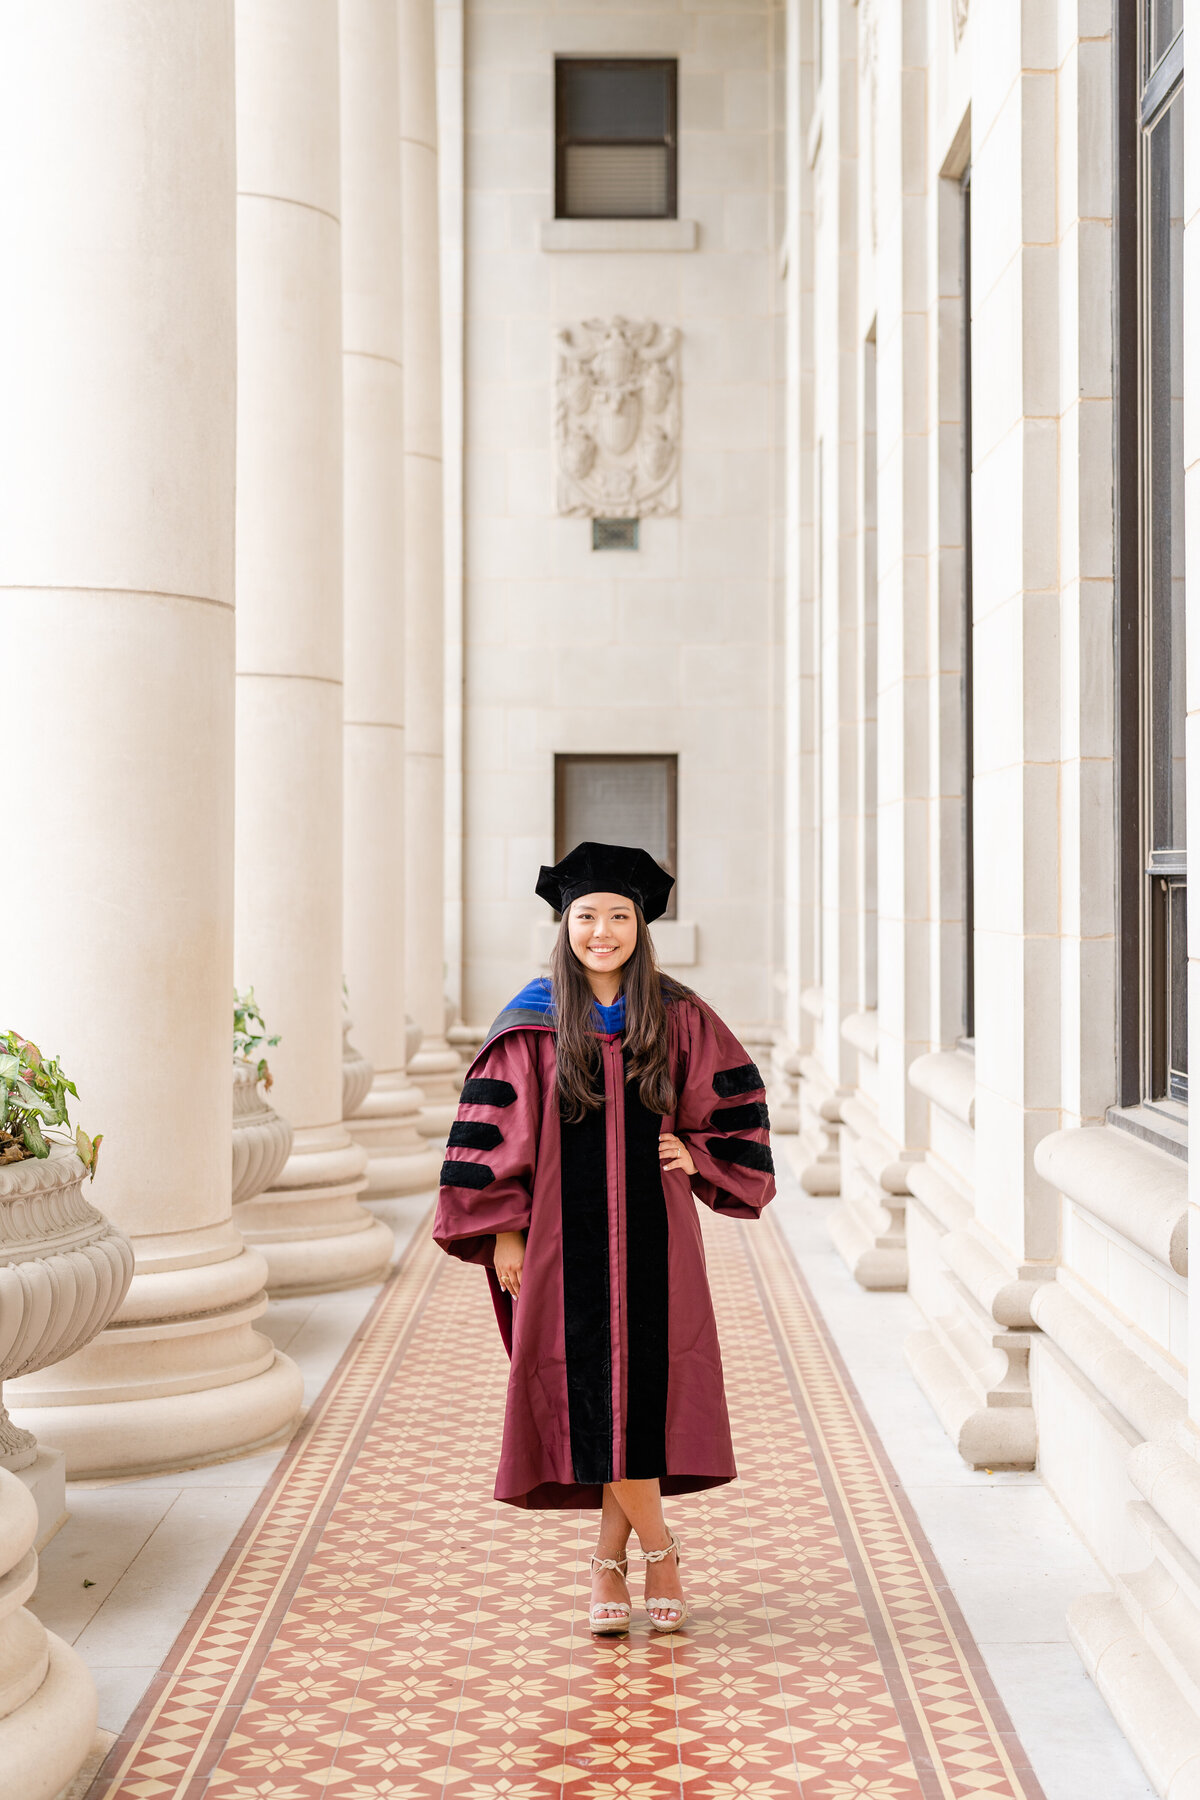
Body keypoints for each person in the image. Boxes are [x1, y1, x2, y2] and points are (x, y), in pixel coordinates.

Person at [433, 841, 775, 1634]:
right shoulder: (532, 1021)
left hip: (658, 1237)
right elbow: (496, 1127)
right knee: (588, 1391)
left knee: (641, 1396)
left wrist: (696, 1154)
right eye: (587, 916)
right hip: (558, 1241)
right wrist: (504, 1234)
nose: (602, 932)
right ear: (565, 923)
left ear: (641, 924)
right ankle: (658, 1551)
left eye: (619, 916)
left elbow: (734, 1101)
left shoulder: (677, 1012)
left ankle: (607, 1569)